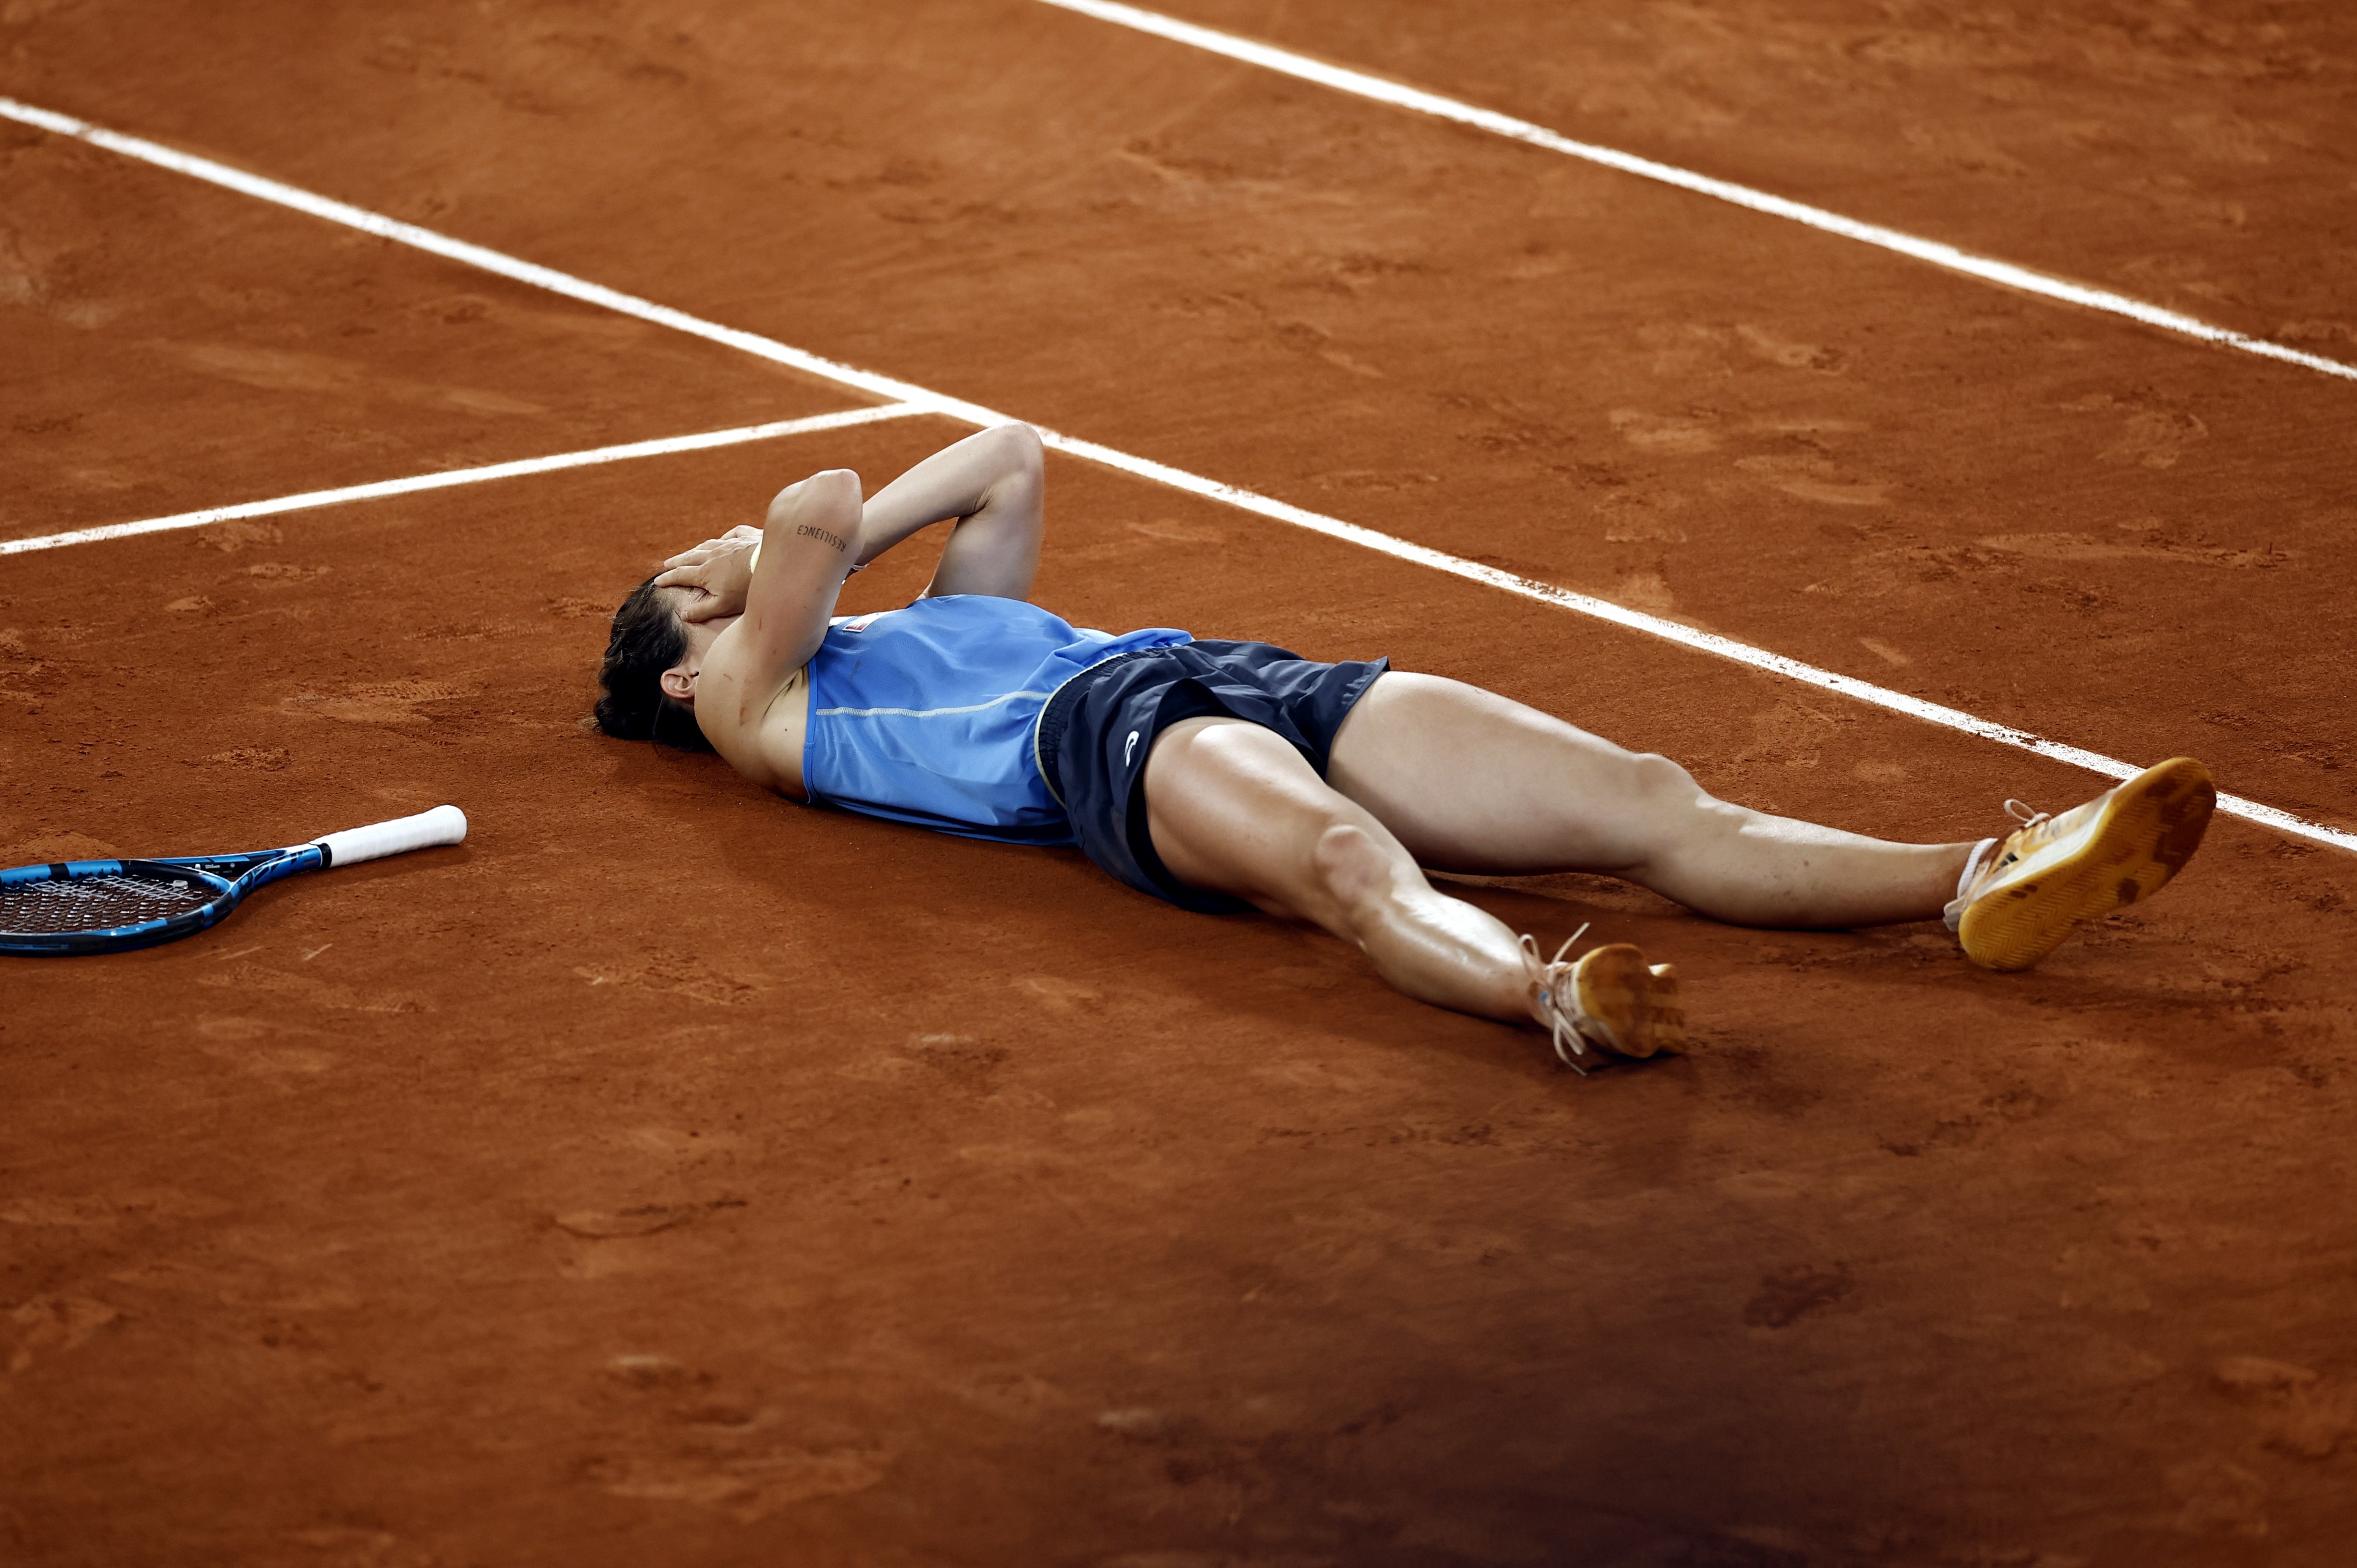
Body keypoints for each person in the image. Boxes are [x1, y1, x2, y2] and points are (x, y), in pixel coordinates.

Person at [591, 425, 2216, 1072]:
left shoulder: (884, 635)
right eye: (682, 584)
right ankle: (1549, 994)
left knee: (1646, 800)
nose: (710, 550)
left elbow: (1009, 455)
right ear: (683, 679)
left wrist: (790, 566)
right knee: (1345, 868)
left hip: (1224, 676)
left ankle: (1980, 873)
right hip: (1103, 744)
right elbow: (810, 512)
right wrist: (740, 580)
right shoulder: (755, 708)